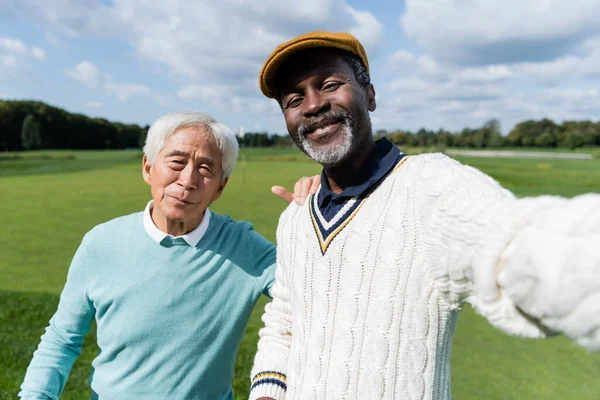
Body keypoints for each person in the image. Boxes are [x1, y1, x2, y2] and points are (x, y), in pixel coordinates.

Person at [249, 31, 600, 400]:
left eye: (331, 84)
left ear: (369, 94)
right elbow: (284, 319)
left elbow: (513, 242)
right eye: (294, 99)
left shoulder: (431, 185)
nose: (313, 105)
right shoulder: (296, 218)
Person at [19, 111, 315, 400]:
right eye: (177, 161)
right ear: (148, 167)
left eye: (205, 169)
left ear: (219, 188)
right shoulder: (99, 244)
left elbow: (314, 292)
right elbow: (62, 339)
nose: (187, 180)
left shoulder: (243, 246)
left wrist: (324, 207)